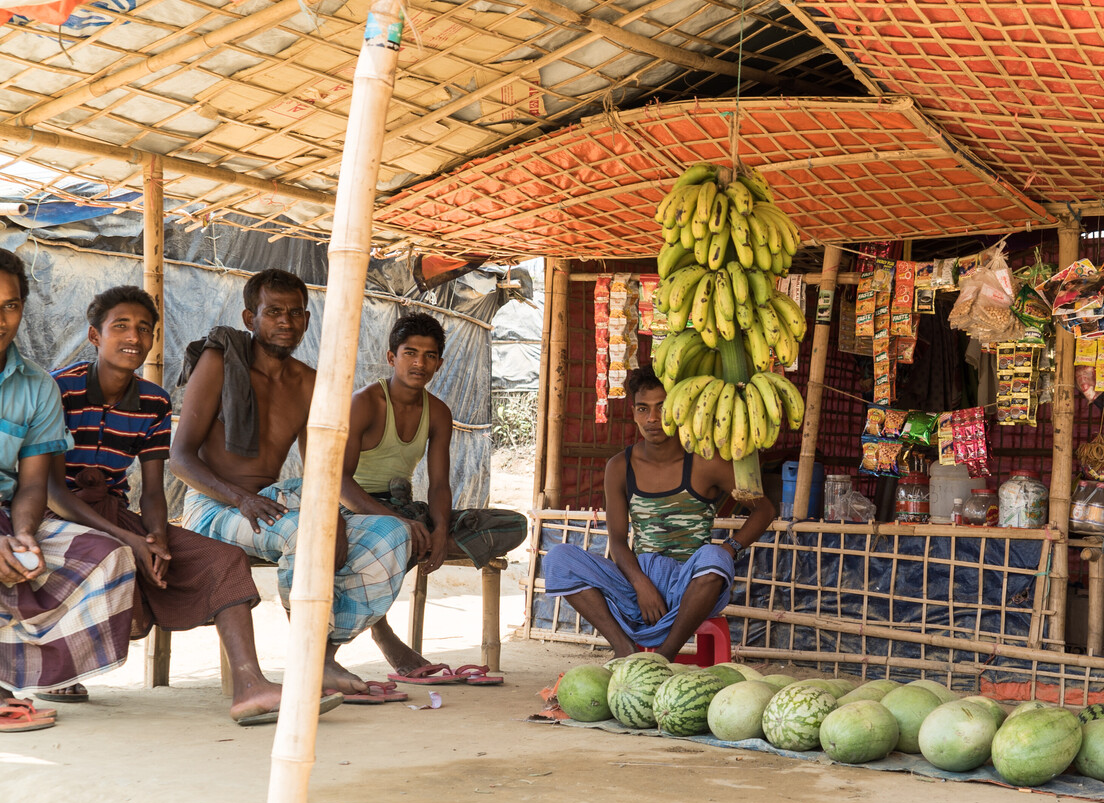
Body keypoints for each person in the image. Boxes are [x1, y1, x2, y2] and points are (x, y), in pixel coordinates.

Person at [41, 286, 288, 724]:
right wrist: (131, 540)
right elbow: (53, 492)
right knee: (111, 553)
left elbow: (153, 492)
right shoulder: (58, 389)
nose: (133, 337)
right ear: (95, 336)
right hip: (53, 515)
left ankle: (251, 685)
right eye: (120, 326)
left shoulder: (154, 402)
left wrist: (155, 539)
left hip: (116, 516)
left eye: (144, 328)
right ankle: (58, 667)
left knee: (225, 559)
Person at [171, 269, 410, 700]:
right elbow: (180, 458)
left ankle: (323, 655)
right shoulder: (219, 361)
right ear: (250, 317)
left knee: (390, 536)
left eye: (296, 313)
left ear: (306, 319)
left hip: (272, 504)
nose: (286, 321)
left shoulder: (309, 382)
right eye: (274, 312)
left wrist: (392, 518)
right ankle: (309, 659)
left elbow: (326, 472)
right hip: (212, 507)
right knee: (307, 530)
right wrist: (240, 498)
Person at [339, 312, 527, 675]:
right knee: (395, 534)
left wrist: (440, 531)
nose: (419, 363)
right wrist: (398, 523)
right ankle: (383, 630)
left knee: (513, 524)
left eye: (429, 356)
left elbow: (440, 484)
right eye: (410, 353)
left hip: (407, 511)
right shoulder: (365, 402)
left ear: (439, 363)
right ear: (392, 357)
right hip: (357, 511)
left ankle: (417, 544)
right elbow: (340, 482)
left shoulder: (438, 412)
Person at [542, 368, 775, 658]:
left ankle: (663, 656)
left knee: (715, 556)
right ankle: (624, 649)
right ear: (634, 413)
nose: (652, 418)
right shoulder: (619, 467)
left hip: (692, 585)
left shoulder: (707, 462)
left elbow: (764, 509)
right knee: (558, 559)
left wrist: (731, 547)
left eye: (662, 407)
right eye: (643, 409)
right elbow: (616, 541)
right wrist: (642, 585)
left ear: (679, 409)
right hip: (637, 585)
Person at [0, 250, 137, 733]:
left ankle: (33, 674)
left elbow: (35, 482)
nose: (1, 319)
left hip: (5, 512)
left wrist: (21, 535)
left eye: (11, 306)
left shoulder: (37, 386)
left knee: (108, 556)